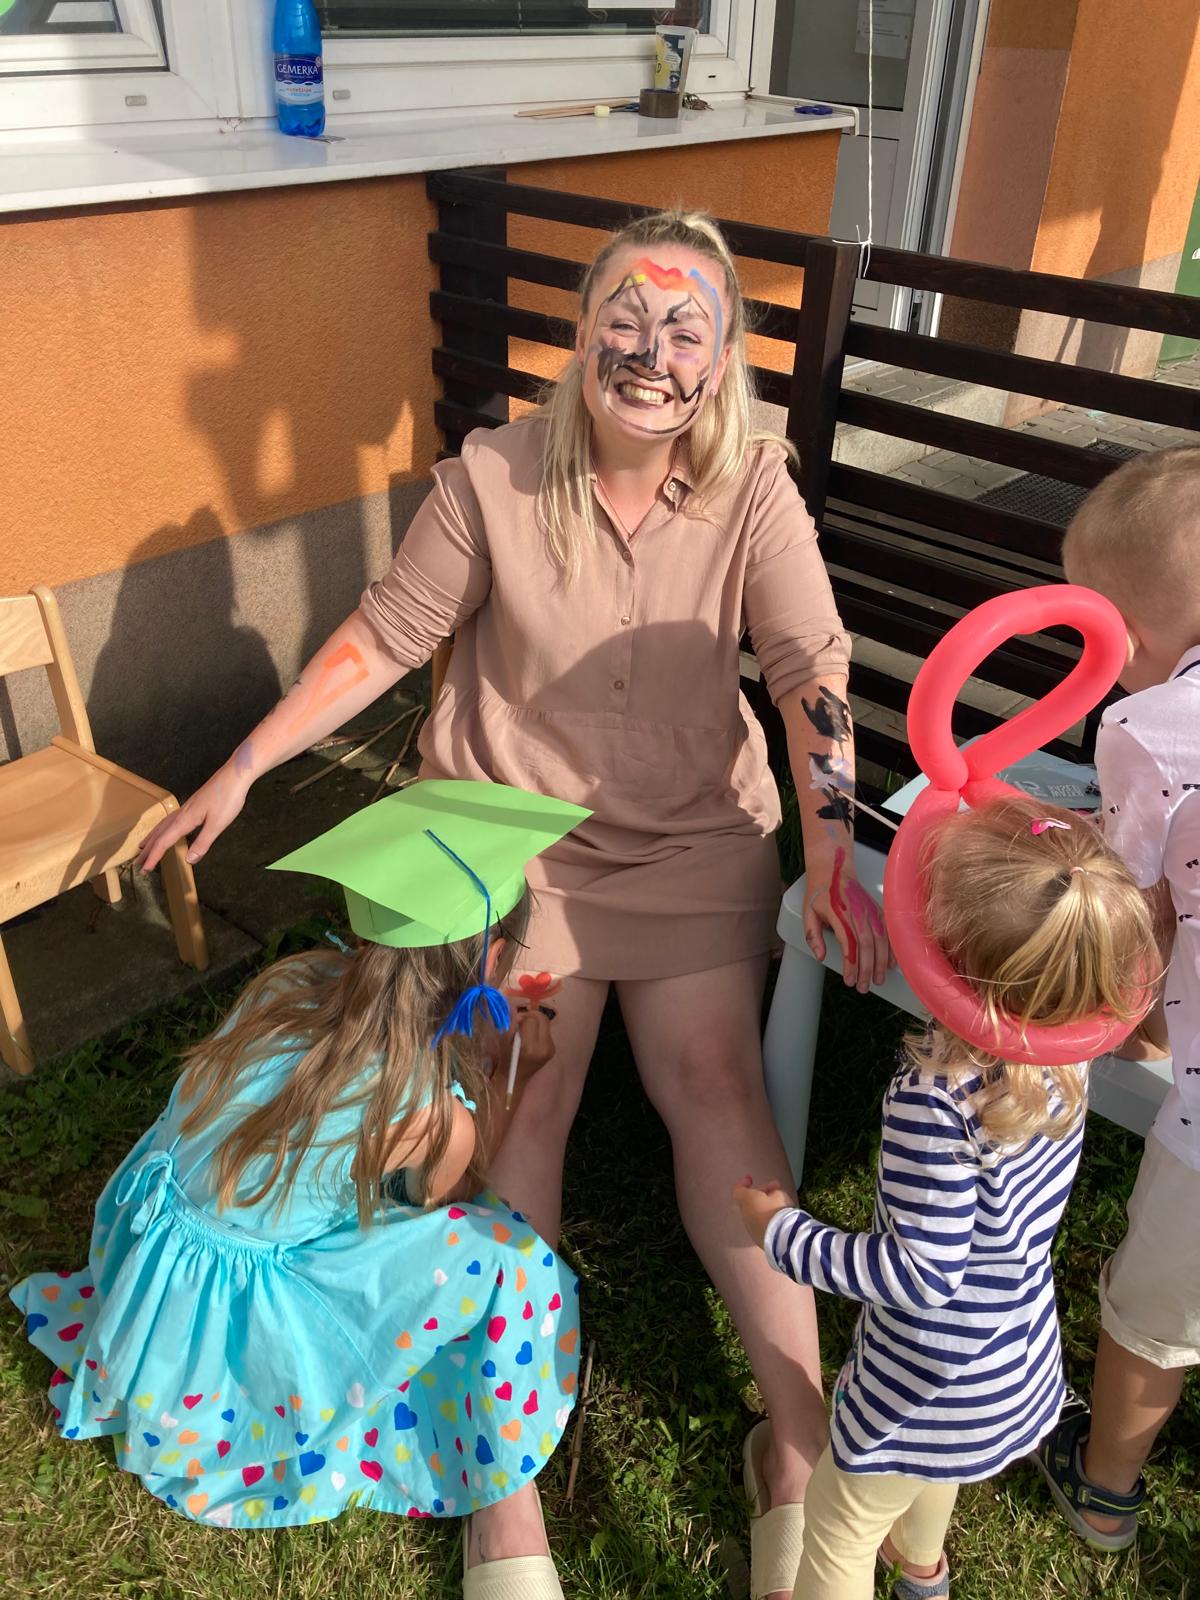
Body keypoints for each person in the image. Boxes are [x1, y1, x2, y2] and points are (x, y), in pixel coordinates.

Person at [136, 209, 889, 1599]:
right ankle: (503, 1487)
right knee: (526, 1103)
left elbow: (807, 669)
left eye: (685, 327)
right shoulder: (493, 473)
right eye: (625, 316)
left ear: (722, 356)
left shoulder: (755, 484)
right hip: (511, 840)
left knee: (719, 1086)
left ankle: (796, 1443)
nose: (651, 351)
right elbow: (387, 635)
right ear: (581, 331)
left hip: (689, 837)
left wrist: (833, 847)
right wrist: (240, 766)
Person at [12, 780, 589, 1599]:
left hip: (149, 1271)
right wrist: (508, 1072)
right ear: (493, 962)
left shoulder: (292, 982)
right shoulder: (428, 1113)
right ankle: (489, 1453)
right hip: (226, 1337)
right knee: (507, 1260)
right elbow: (442, 1201)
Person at [733, 796, 1159, 1600]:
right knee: (936, 1474)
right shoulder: (1062, 1062)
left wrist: (781, 1233)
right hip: (1010, 1359)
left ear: (950, 966)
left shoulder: (934, 1099)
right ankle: (922, 1573)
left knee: (837, 1526)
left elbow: (920, 1274)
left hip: (919, 1386)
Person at [1034, 445, 1200, 1550]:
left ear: (1121, 640)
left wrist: (1122, 1019)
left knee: (1157, 1309)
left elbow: (1136, 918)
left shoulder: (1150, 729)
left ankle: (1103, 1490)